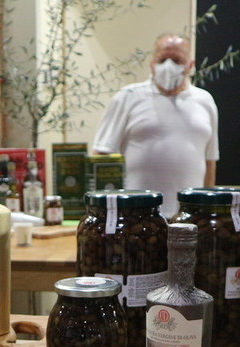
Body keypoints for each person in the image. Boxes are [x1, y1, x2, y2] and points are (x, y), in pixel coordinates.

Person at [92, 32, 218, 218]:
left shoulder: (205, 101)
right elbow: (102, 156)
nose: (169, 66)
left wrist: (207, 210)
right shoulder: (127, 97)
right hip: (135, 214)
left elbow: (210, 160)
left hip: (189, 214)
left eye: (177, 60)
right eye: (162, 59)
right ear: (152, 63)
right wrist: (105, 213)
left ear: (190, 65)